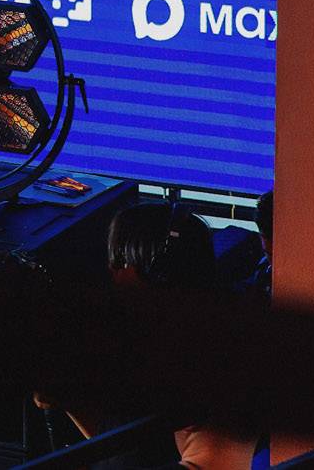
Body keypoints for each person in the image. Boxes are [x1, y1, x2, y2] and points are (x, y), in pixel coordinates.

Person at [37, 201, 255, 470]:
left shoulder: (192, 355)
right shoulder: (201, 326)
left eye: (119, 261)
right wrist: (69, 400)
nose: (113, 272)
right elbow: (128, 442)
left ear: (148, 272)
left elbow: (133, 458)